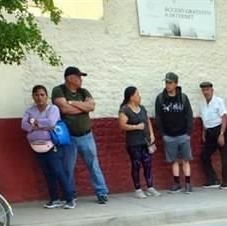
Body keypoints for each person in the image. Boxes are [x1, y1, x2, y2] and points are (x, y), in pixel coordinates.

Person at [52, 66, 109, 204]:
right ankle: (70, 193)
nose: (80, 79)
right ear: (69, 78)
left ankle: (101, 192)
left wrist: (72, 103)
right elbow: (64, 109)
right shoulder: (59, 90)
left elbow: (91, 106)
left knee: (93, 165)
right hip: (69, 137)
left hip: (86, 135)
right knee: (68, 167)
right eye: (78, 77)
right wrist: (82, 107)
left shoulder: (84, 91)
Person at [21, 85, 75, 209]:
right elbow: (24, 125)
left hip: (52, 145)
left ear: (46, 96)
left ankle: (70, 199)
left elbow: (51, 122)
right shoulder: (30, 111)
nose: (39, 97)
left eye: (42, 95)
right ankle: (54, 199)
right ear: (33, 97)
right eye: (36, 95)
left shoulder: (53, 109)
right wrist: (42, 125)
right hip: (36, 146)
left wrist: (35, 123)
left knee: (58, 171)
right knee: (47, 173)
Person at [155, 72, 194, 194]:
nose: (168, 85)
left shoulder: (183, 98)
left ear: (176, 84)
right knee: (174, 160)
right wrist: (163, 134)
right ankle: (177, 184)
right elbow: (158, 117)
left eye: (170, 83)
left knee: (186, 160)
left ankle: (188, 184)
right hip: (169, 135)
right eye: (166, 82)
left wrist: (188, 132)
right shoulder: (160, 98)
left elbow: (189, 114)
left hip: (183, 134)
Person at [119, 86, 159, 198]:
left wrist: (152, 134)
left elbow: (147, 121)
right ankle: (137, 189)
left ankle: (150, 187)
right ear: (131, 97)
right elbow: (122, 125)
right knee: (136, 164)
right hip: (133, 142)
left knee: (147, 163)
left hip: (145, 141)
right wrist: (136, 127)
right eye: (137, 94)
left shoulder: (142, 108)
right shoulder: (125, 109)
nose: (139, 96)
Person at [198, 81, 227, 190]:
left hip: (220, 129)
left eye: (207, 90)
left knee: (224, 156)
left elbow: (224, 117)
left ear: (212, 90)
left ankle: (226, 181)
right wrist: (203, 133)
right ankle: (213, 180)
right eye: (203, 90)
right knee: (204, 155)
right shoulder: (202, 104)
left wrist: (221, 134)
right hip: (209, 132)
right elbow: (204, 120)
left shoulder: (218, 101)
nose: (205, 92)